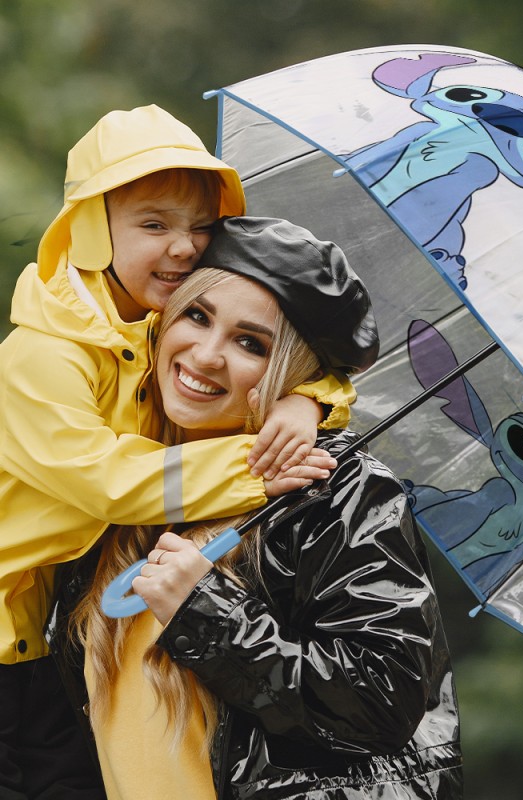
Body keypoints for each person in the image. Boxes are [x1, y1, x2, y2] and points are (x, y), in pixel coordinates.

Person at [0, 108, 354, 798]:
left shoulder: (153, 317)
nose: (185, 247)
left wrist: (307, 401)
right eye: (154, 225)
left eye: (200, 227)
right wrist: (264, 467)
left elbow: (271, 348)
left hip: (41, 644)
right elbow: (109, 484)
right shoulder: (40, 357)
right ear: (91, 230)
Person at [48, 216, 463, 800]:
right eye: (196, 315)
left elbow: (381, 706)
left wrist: (206, 612)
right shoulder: (114, 471)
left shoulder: (333, 491)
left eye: (251, 343)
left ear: (292, 374)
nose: (206, 354)